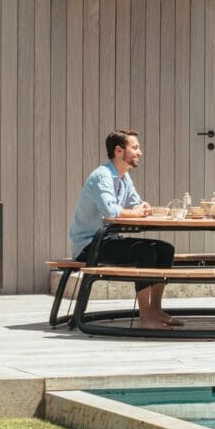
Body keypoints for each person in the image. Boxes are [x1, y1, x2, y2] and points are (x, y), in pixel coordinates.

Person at [68, 129, 177, 330]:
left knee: (165, 249)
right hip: (89, 245)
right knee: (145, 252)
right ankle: (144, 318)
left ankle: (155, 310)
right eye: (135, 148)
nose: (140, 152)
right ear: (119, 150)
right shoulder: (103, 176)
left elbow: (136, 204)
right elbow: (112, 212)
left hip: (109, 241)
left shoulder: (124, 177)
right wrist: (136, 212)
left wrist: (143, 207)